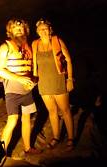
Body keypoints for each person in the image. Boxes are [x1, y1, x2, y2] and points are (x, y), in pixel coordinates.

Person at [0, 18, 40, 156]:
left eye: (21, 28)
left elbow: (32, 69)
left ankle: (27, 148)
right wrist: (20, 78)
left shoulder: (28, 47)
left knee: (26, 119)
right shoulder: (5, 47)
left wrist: (34, 81)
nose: (19, 30)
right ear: (10, 31)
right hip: (12, 91)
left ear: (25, 30)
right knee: (12, 121)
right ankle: (0, 154)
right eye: (15, 28)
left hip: (27, 91)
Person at [32, 18, 75, 151]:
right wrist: (33, 80)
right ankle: (56, 137)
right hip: (43, 82)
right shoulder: (35, 44)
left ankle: (70, 138)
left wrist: (70, 79)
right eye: (40, 29)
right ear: (37, 32)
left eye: (45, 28)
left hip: (58, 80)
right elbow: (34, 64)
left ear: (50, 29)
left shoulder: (57, 41)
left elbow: (68, 60)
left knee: (65, 111)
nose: (43, 31)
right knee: (52, 111)